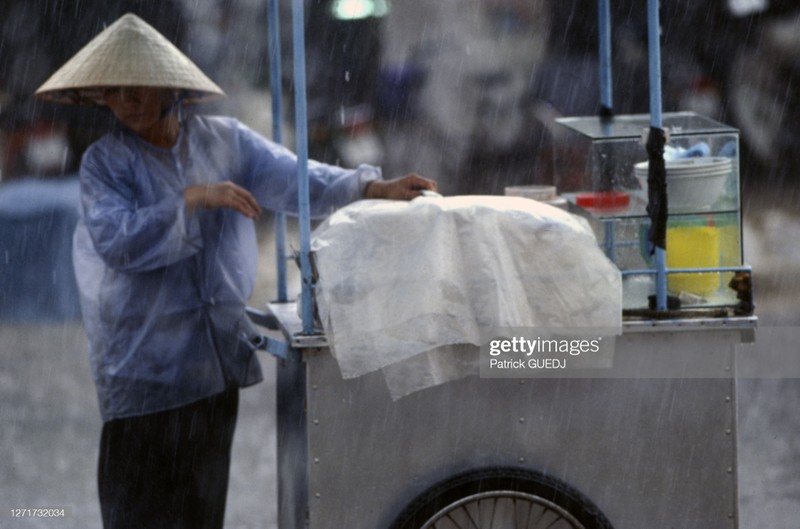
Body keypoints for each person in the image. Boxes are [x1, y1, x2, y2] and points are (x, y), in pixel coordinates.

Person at [34, 13, 436, 529]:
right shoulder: (105, 164)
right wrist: (193, 199)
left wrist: (369, 188)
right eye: (113, 90)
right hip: (142, 376)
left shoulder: (224, 141)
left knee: (200, 515)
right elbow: (117, 242)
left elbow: (294, 177)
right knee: (137, 515)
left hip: (210, 372)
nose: (126, 100)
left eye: (137, 86)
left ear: (169, 88)